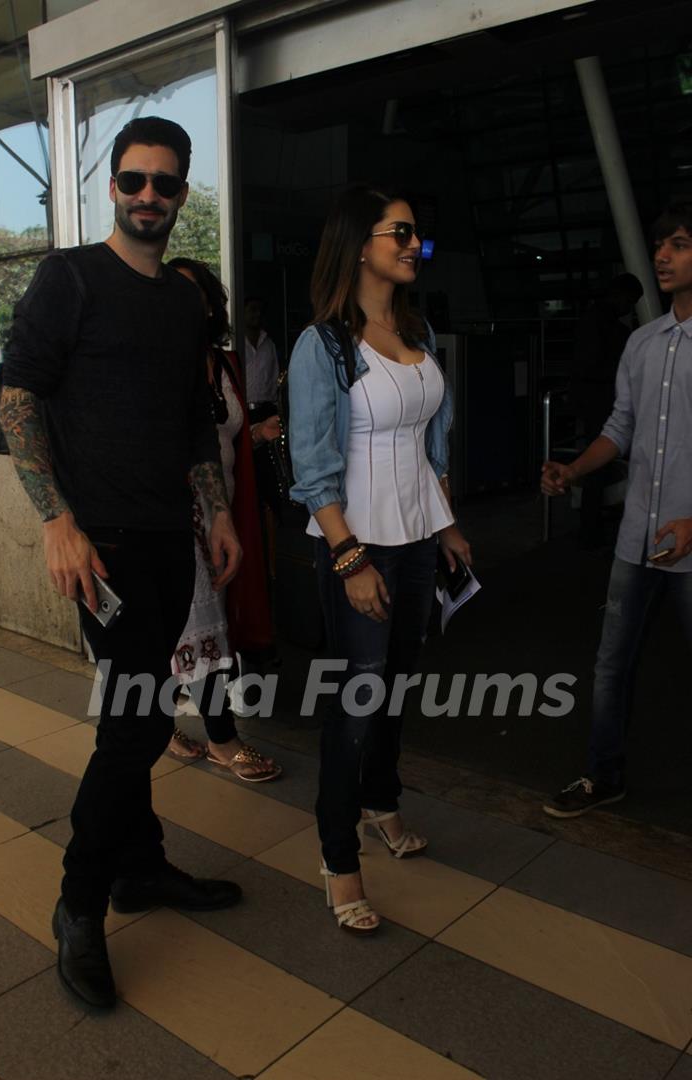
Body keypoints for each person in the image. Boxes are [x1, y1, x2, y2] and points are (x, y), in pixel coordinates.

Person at [0, 117, 243, 1010]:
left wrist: (213, 513)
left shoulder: (182, 299)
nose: (149, 196)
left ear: (182, 193)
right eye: (134, 180)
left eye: (166, 184)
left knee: (146, 704)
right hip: (98, 547)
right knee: (136, 725)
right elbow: (18, 393)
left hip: (167, 541)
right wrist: (58, 521)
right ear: (112, 185)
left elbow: (189, 425)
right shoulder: (71, 277)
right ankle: (79, 901)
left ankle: (140, 869)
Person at [288, 184, 471, 933]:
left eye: (416, 236)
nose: (411, 245)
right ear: (359, 243)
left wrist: (448, 525)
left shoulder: (416, 329)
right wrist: (350, 559)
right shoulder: (325, 345)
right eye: (399, 232)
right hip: (357, 548)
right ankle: (338, 857)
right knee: (355, 707)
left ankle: (381, 802)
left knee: (395, 690)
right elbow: (311, 464)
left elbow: (434, 444)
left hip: (419, 541)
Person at [541, 202, 692, 818]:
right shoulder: (642, 342)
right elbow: (620, 427)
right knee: (611, 664)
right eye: (660, 244)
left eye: (678, 244)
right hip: (638, 539)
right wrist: (574, 469)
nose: (662, 255)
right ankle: (603, 776)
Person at [165, 257, 282, 782]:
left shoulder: (226, 362)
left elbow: (232, 437)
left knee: (199, 623)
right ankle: (221, 737)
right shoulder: (158, 360)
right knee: (194, 623)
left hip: (226, 511)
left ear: (213, 304)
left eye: (197, 294)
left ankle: (159, 721)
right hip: (176, 515)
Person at [569, 273, 643, 548]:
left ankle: (591, 527)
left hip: (594, 402)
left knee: (595, 466)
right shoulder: (610, 328)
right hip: (600, 402)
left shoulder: (595, 320)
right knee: (597, 468)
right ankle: (591, 528)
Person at [244, 296, 279, 421]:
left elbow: (275, 377)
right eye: (253, 310)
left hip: (267, 411)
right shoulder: (235, 343)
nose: (257, 314)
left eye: (260, 310)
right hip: (243, 411)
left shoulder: (269, 345)